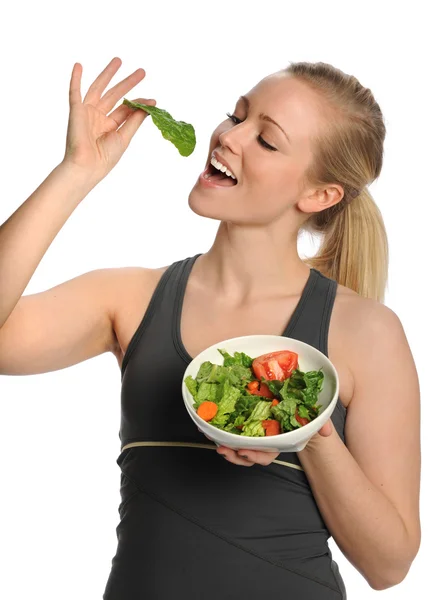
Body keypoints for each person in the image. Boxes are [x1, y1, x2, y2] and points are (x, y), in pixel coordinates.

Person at [0, 57, 421, 599]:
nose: (229, 136)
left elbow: (389, 565)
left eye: (266, 140)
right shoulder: (129, 298)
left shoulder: (367, 332)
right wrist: (77, 171)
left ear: (320, 195)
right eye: (236, 115)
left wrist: (308, 436)